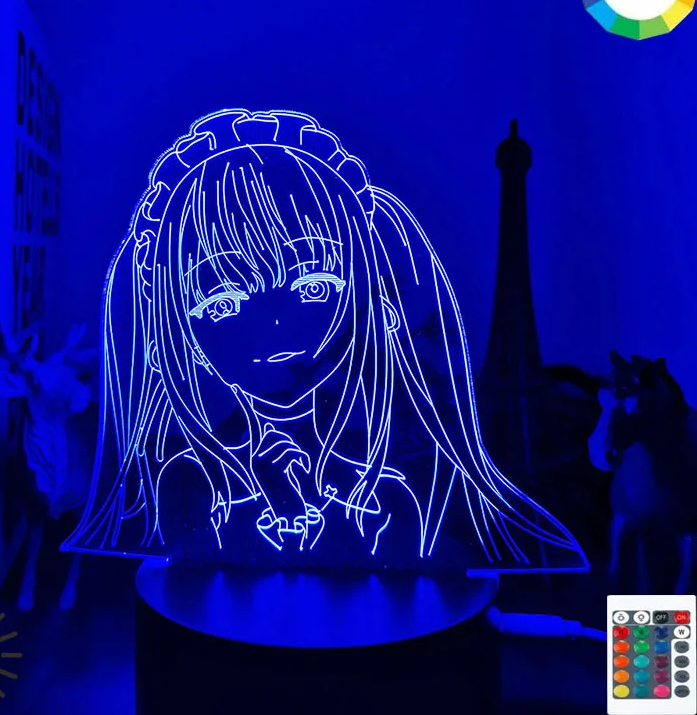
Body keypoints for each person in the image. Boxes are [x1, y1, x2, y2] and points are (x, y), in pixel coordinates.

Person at [63, 109, 587, 573]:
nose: (276, 327)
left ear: (365, 297)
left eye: (313, 285)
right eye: (223, 301)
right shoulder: (187, 483)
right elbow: (199, 591)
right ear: (172, 330)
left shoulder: (392, 491)